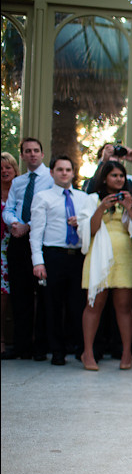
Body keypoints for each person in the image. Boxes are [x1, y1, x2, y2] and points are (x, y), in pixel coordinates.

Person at [78, 161, 132, 371]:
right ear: (104, 178)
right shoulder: (92, 200)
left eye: (121, 176)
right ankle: (88, 353)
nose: (119, 179)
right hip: (98, 256)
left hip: (124, 257)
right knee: (94, 305)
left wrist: (129, 209)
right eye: (114, 175)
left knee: (124, 307)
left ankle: (127, 352)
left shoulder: (131, 200)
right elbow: (88, 231)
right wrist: (102, 207)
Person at [28, 155, 92, 366]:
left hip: (77, 256)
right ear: (52, 172)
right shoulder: (43, 197)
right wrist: (38, 262)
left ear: (73, 173)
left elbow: (92, 230)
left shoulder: (83, 198)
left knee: (78, 305)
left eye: (68, 170)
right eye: (60, 169)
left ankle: (81, 348)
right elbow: (36, 232)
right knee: (53, 305)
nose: (64, 173)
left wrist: (80, 226)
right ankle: (57, 351)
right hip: (53, 255)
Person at [3, 137, 53, 361]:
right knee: (20, 296)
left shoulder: (51, 178)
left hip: (41, 241)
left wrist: (28, 226)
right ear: (22, 156)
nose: (32, 154)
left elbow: (52, 210)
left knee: (42, 296)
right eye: (27, 151)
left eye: (36, 151)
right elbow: (9, 208)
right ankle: (21, 346)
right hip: (18, 242)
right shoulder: (18, 182)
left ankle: (40, 346)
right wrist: (14, 223)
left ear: (42, 154)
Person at [0, 152, 19, 359]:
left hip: (18, 248)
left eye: (8, 167)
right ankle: (2, 340)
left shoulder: (21, 191)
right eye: (1, 168)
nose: (4, 171)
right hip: (1, 251)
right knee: (2, 298)